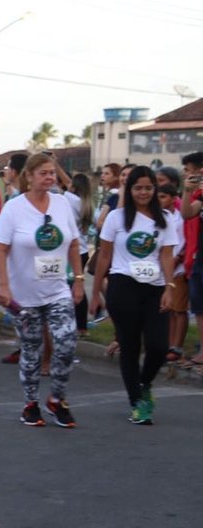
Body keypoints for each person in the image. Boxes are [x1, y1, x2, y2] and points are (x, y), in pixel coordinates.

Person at [0, 153, 85, 428]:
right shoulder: (14, 208)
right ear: (29, 176)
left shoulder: (62, 204)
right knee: (32, 349)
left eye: (52, 173)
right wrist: (4, 285)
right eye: (43, 173)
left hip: (57, 289)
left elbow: (74, 244)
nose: (49, 178)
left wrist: (78, 280)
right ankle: (31, 403)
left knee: (67, 342)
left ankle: (57, 398)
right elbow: (0, 247)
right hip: (25, 295)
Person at [91, 165, 178, 425]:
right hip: (122, 284)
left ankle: (144, 383)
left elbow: (166, 255)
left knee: (158, 346)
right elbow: (104, 256)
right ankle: (136, 402)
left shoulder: (165, 218)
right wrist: (95, 293)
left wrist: (170, 288)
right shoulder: (117, 218)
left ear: (155, 189)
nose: (143, 192)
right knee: (130, 347)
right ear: (129, 189)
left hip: (155, 288)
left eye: (148, 188)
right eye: (138, 188)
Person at [157, 183, 189, 362]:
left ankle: (176, 346)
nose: (160, 200)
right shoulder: (160, 217)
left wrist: (177, 260)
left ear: (172, 198)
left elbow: (183, 241)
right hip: (162, 269)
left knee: (179, 309)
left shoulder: (179, 218)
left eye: (164, 197)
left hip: (178, 267)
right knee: (168, 310)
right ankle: (167, 344)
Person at [179, 151, 203, 366]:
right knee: (199, 305)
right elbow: (187, 213)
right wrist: (187, 191)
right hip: (200, 257)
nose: (185, 174)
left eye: (188, 171)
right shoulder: (199, 195)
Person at [66, 173, 96, 338]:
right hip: (83, 250)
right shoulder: (87, 204)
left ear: (74, 187)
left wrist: (55, 165)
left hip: (73, 250)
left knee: (72, 286)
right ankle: (81, 325)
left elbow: (64, 183)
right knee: (78, 286)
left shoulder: (70, 200)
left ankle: (79, 325)